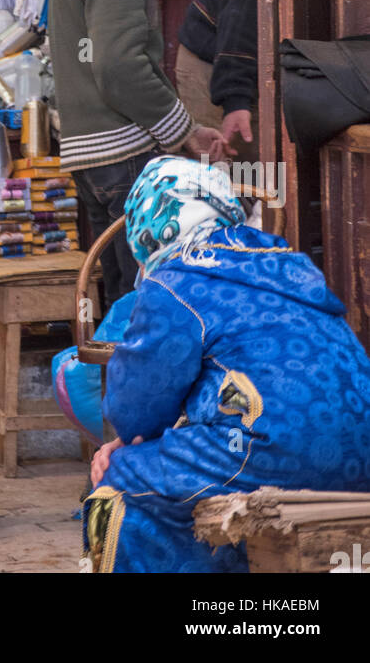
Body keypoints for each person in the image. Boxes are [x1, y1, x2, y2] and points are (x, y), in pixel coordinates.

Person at [83, 155, 370, 573]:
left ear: (147, 227)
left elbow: (132, 412)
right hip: (361, 452)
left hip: (267, 450)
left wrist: (126, 443)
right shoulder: (291, 265)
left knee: (121, 477)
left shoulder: (175, 282)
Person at [49, 0, 229, 308]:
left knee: (126, 311)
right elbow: (119, 65)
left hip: (97, 156)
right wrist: (184, 131)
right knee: (149, 308)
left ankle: (120, 386)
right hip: (122, 154)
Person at [177, 0, 258, 160]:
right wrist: (235, 97)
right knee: (224, 184)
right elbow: (240, 7)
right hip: (214, 68)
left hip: (229, 67)